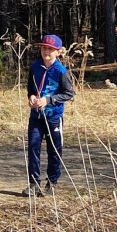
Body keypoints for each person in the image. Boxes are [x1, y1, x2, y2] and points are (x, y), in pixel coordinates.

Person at [25, 34, 75, 196]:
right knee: (33, 147)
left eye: (50, 49)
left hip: (54, 117)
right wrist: (31, 96)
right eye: (44, 48)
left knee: (54, 149)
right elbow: (31, 88)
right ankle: (34, 183)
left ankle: (52, 182)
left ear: (58, 52)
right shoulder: (35, 67)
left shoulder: (61, 71)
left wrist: (49, 100)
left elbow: (69, 94)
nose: (46, 51)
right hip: (36, 116)